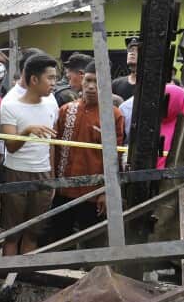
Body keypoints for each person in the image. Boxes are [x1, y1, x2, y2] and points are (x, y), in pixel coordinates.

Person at [48, 62, 126, 242]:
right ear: (82, 81)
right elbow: (54, 150)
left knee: (92, 242)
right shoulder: (66, 110)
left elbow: (116, 156)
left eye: (97, 83)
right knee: (59, 240)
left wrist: (107, 191)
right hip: (63, 191)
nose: (91, 87)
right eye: (88, 80)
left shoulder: (113, 115)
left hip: (93, 194)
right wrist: (53, 183)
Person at [0, 53, 60, 255]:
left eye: (55, 78)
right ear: (34, 79)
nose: (54, 83)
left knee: (34, 233)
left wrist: (51, 175)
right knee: (12, 233)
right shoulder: (10, 105)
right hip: (16, 173)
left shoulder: (52, 103)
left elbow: (51, 143)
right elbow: (10, 146)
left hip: (43, 173)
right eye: (50, 78)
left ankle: (24, 278)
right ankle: (7, 279)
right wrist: (26, 131)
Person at [111, 37, 139, 101]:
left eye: (137, 50)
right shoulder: (116, 84)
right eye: (130, 50)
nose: (132, 53)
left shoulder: (150, 84)